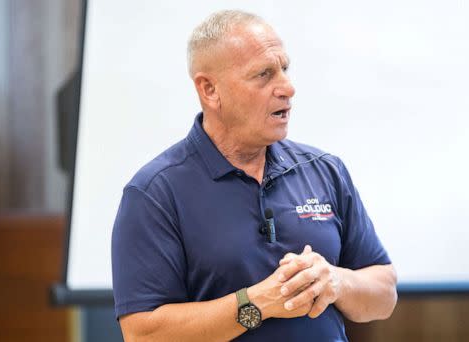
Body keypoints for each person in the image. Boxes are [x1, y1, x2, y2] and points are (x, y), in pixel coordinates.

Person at [111, 10, 397, 342]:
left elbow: (384, 293)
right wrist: (257, 303)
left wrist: (335, 281)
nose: (287, 87)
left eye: (285, 69)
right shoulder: (155, 193)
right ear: (210, 90)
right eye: (264, 74)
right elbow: (143, 334)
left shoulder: (325, 170)